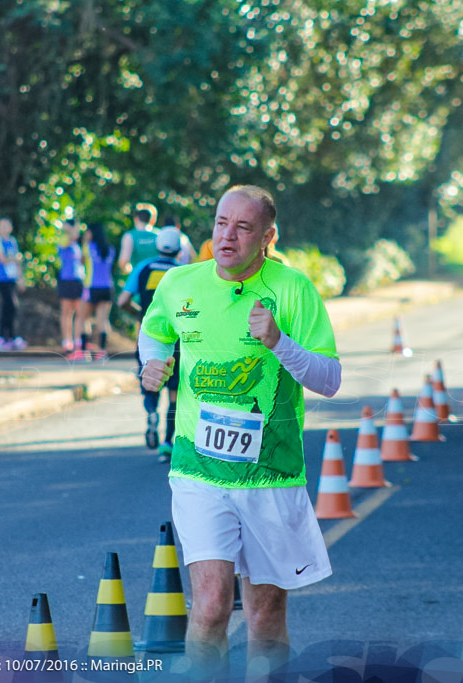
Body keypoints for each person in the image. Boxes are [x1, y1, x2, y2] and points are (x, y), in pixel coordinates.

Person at [139, 185, 341, 678]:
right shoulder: (179, 284)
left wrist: (279, 343)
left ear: (267, 237)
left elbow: (329, 380)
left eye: (243, 227)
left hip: (270, 475)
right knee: (208, 607)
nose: (227, 237)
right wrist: (151, 363)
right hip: (198, 471)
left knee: (265, 616)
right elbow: (154, 331)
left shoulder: (292, 290)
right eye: (220, 224)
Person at [118, 227, 182, 462]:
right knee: (175, 393)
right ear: (178, 249)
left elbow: (122, 300)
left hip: (148, 337)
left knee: (151, 380)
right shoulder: (181, 272)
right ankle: (167, 443)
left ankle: (152, 413)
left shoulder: (143, 267)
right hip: (177, 342)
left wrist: (140, 316)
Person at [0, 218, 27, 351]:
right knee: (9, 305)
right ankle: (2, 337)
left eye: (7, 225)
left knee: (11, 307)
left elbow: (17, 263)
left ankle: (10, 337)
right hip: (1, 278)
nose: (5, 228)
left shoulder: (12, 242)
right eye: (2, 226)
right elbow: (3, 259)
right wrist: (15, 259)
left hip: (11, 278)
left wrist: (21, 278)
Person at [56, 217, 89, 361]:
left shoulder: (77, 245)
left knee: (80, 313)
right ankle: (67, 342)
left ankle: (78, 342)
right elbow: (67, 239)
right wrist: (69, 230)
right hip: (66, 280)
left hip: (78, 279)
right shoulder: (64, 238)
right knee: (66, 312)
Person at [82, 222, 115, 361]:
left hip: (91, 287)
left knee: (84, 319)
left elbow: (82, 262)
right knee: (102, 320)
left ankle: (85, 351)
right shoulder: (110, 249)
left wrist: (85, 241)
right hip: (107, 287)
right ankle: (101, 351)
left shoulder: (87, 247)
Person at [117, 202, 159, 275]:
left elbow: (123, 262)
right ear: (152, 219)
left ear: (136, 218)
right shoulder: (160, 235)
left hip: (139, 276)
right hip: (157, 277)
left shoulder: (129, 236)